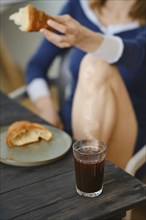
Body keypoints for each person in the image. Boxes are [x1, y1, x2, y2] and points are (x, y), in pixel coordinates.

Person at [26, 0, 146, 173]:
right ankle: (85, 174)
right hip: (66, 132)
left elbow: (136, 54)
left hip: (128, 141)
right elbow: (36, 65)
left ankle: (86, 171)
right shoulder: (78, 7)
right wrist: (46, 108)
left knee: (96, 63)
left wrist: (85, 39)